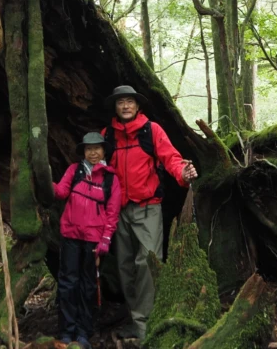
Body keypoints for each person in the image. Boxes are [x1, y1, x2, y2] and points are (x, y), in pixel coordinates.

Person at [101, 84, 198, 343]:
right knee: (124, 266)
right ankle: (136, 320)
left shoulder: (151, 130)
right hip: (118, 211)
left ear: (137, 106)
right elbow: (96, 170)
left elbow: (171, 158)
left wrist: (183, 174)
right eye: (120, 102)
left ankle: (145, 325)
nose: (125, 106)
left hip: (147, 208)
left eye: (130, 101)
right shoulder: (107, 135)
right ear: (115, 107)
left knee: (147, 262)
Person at [52, 132, 121, 349]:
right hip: (70, 235)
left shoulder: (110, 178)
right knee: (67, 283)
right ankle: (66, 331)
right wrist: (43, 179)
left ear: (104, 151)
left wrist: (105, 240)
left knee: (88, 285)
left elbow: (112, 213)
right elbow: (61, 192)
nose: (93, 153)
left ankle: (83, 332)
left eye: (97, 148)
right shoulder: (74, 170)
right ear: (83, 151)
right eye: (89, 149)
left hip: (93, 240)